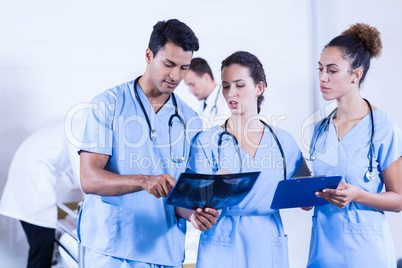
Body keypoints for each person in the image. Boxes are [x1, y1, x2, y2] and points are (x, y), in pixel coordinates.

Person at [78, 19, 219, 267]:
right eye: (169, 64)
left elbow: (183, 197)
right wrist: (143, 181)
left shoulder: (191, 121)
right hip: (113, 252)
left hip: (164, 253)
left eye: (184, 68)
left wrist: (195, 216)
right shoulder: (108, 105)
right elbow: (89, 179)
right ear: (148, 55)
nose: (176, 76)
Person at [187, 51, 310, 267]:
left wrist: (314, 196)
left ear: (259, 88)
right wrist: (212, 192)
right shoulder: (206, 141)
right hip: (221, 242)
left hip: (267, 241)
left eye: (239, 85)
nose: (231, 93)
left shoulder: (283, 142)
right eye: (226, 86)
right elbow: (194, 200)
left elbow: (306, 193)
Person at [305, 23, 402, 268]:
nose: (322, 77)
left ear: (355, 75)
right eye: (320, 69)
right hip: (323, 251)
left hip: (365, 253)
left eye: (332, 70)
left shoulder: (383, 128)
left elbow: (399, 199)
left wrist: (358, 195)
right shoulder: (320, 129)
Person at [0, 118, 81, 268]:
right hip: (34, 190)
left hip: (25, 184)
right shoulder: (79, 129)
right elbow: (85, 177)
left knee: (40, 250)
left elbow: (75, 172)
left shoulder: (66, 123)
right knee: (41, 251)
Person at [184, 57, 231, 129]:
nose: (190, 91)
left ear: (206, 78)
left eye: (192, 84)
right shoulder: (203, 106)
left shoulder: (226, 99)